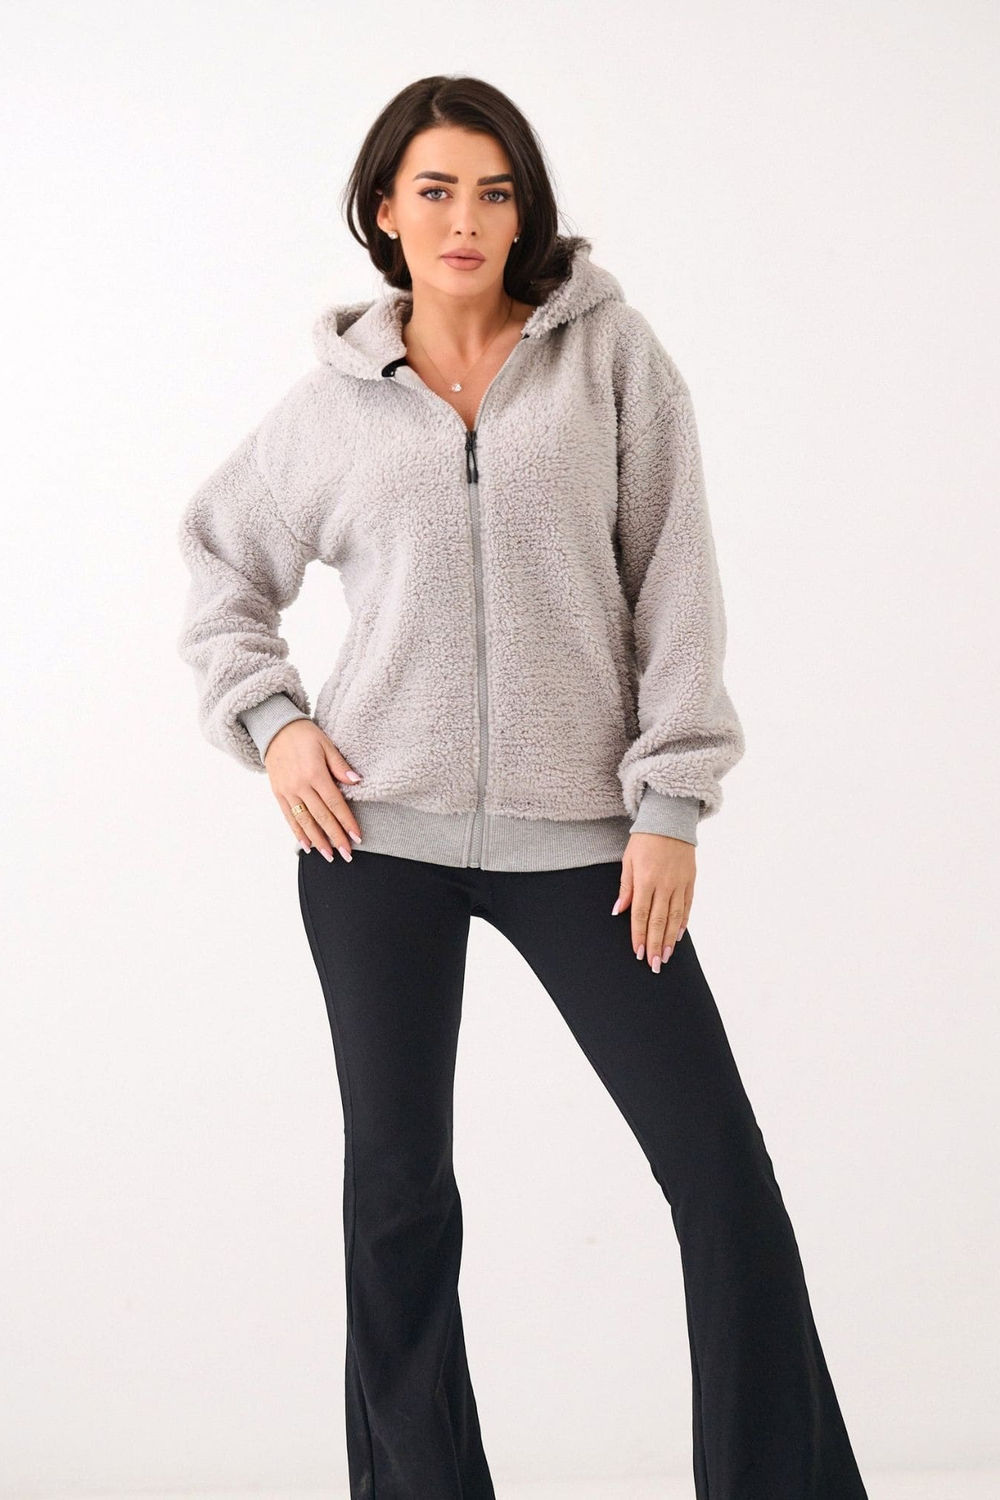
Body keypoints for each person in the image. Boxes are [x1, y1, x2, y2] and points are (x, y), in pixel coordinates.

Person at [177, 73, 870, 1500]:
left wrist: (669, 803)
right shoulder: (332, 407)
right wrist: (276, 725)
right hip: (375, 840)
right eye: (434, 190)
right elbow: (219, 564)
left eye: (493, 192)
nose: (466, 219)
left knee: (719, 1175)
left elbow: (676, 580)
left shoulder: (609, 357)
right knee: (396, 1196)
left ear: (524, 210)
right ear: (384, 210)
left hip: (588, 843)